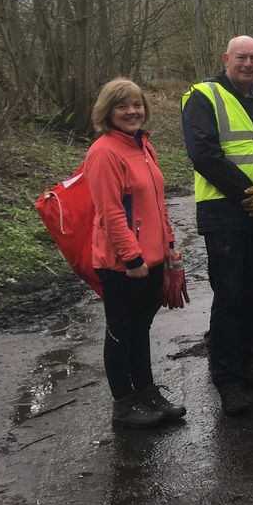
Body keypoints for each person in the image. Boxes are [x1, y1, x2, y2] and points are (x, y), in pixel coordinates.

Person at [182, 35, 253, 416]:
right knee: (229, 296)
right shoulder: (202, 95)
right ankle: (227, 378)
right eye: (242, 57)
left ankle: (248, 366)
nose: (248, 64)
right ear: (226, 58)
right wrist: (250, 195)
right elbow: (205, 154)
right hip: (225, 212)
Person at [85, 79, 185, 429]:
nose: (132, 111)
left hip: (153, 258)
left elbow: (157, 205)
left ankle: (147, 393)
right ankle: (124, 405)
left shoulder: (143, 147)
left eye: (137, 105)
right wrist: (132, 258)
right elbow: (110, 212)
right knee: (121, 330)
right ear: (107, 112)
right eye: (122, 106)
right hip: (122, 264)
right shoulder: (103, 152)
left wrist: (169, 246)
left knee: (141, 327)